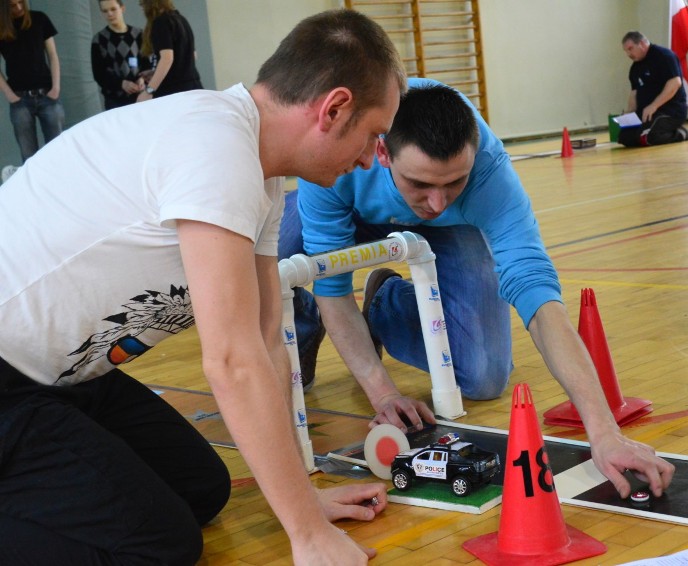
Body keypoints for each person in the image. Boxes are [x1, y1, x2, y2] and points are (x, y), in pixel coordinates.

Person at [0, 8, 406, 565]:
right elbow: (231, 360)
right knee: (158, 546)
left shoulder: (261, 172)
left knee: (201, 488)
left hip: (63, 377)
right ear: (334, 108)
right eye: (373, 135)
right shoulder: (215, 145)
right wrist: (308, 537)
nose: (369, 158)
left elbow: (265, 341)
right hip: (7, 378)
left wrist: (303, 502)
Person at [278, 79, 676, 500]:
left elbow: (540, 302)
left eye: (454, 183)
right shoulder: (339, 153)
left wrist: (604, 432)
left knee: (484, 376)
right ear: (381, 153)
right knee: (274, 254)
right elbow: (334, 289)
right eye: (420, 184)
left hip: (449, 234)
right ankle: (303, 327)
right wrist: (384, 393)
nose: (437, 201)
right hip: (344, 206)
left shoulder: (488, 173)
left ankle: (385, 303)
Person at [0, 0, 64, 168]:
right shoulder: (1, 27)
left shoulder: (39, 19)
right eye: (13, 5)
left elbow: (53, 55)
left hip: (47, 94)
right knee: (28, 156)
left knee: (58, 149)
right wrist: (9, 94)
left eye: (21, 2)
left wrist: (56, 87)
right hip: (19, 99)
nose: (19, 8)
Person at [618, 31, 688, 147]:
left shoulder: (664, 56)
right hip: (646, 114)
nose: (628, 54)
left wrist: (654, 105)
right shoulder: (635, 67)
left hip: (669, 111)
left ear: (642, 44)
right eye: (626, 51)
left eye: (630, 49)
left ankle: (681, 133)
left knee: (649, 136)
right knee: (625, 138)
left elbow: (675, 83)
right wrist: (629, 113)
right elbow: (634, 93)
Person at [136, 0, 202, 102]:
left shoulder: (160, 22)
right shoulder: (181, 19)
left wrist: (149, 91)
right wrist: (155, 72)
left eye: (142, 4)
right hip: (194, 87)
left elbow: (167, 59)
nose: (141, 8)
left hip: (174, 92)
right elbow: (193, 56)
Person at [91, 0, 147, 110]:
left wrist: (142, 79)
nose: (110, 14)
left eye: (113, 9)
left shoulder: (139, 34)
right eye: (105, 11)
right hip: (114, 101)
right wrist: (121, 84)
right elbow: (99, 74)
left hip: (140, 96)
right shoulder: (98, 40)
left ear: (122, 8)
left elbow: (147, 63)